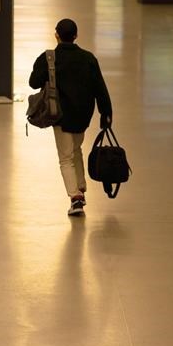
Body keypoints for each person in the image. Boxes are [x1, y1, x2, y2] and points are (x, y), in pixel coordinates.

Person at [29, 18, 112, 217]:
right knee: (75, 149)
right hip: (83, 115)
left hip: (60, 115)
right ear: (75, 36)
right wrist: (106, 113)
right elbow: (100, 88)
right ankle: (81, 187)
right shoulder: (88, 58)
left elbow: (33, 82)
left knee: (65, 158)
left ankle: (75, 198)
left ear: (56, 35)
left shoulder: (49, 58)